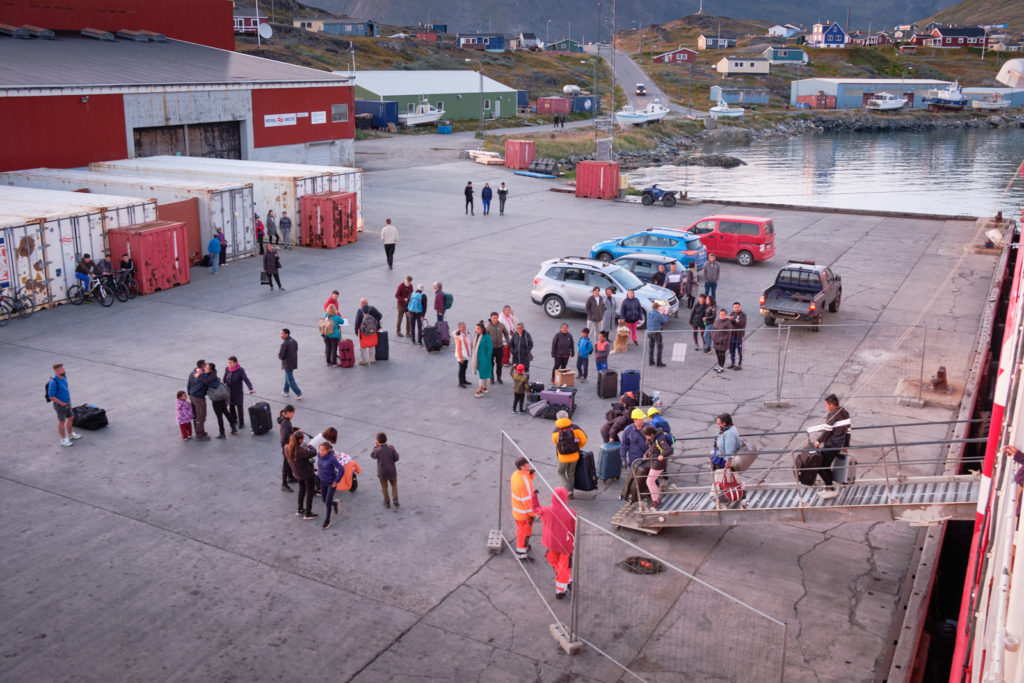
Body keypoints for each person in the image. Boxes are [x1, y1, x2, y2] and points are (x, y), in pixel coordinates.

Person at [532, 486, 576, 599]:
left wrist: (534, 496)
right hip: (566, 546)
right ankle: (561, 590)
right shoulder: (571, 513)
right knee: (564, 567)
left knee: (553, 560)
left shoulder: (546, 511)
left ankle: (566, 580)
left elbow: (535, 508)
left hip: (551, 544)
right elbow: (574, 529)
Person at [814, 394, 851, 500]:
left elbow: (827, 430)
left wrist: (818, 441)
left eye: (826, 405)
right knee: (826, 464)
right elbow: (848, 431)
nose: (826, 407)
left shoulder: (832, 414)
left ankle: (831, 489)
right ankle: (829, 487)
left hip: (831, 445)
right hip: (838, 445)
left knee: (820, 466)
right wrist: (846, 445)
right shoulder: (845, 412)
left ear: (831, 405)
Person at [552, 413, 587, 498]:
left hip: (563, 457)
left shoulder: (556, 431)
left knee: (560, 472)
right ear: (567, 417)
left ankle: (567, 490)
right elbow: (584, 439)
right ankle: (571, 493)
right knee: (571, 473)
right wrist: (577, 447)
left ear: (557, 419)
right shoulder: (575, 428)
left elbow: (556, 443)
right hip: (575, 456)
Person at [286, 431, 318, 520]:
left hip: (297, 473)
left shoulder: (287, 447)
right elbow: (314, 452)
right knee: (310, 492)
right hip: (307, 473)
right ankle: (308, 513)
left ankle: (300, 509)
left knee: (301, 489)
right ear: (300, 440)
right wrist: (309, 445)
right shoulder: (301, 451)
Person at [47, 363, 81, 447]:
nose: (63, 370)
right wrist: (61, 403)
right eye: (61, 369)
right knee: (61, 421)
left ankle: (70, 434)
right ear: (56, 371)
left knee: (70, 417)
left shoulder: (64, 377)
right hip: (60, 405)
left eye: (63, 368)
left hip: (67, 402)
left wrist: (67, 400)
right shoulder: (53, 381)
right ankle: (63, 439)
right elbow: (51, 396)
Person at [510, 457, 537, 561]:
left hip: (517, 511)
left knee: (522, 532)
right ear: (522, 466)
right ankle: (521, 554)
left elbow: (525, 480)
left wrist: (530, 474)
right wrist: (532, 514)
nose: (529, 465)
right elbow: (528, 501)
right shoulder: (524, 482)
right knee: (523, 533)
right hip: (524, 514)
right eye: (527, 464)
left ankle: (524, 547)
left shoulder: (515, 475)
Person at [643, 425, 672, 509]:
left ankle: (656, 500)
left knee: (649, 481)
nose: (646, 437)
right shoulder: (653, 439)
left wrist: (662, 455)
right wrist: (647, 454)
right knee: (650, 481)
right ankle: (656, 498)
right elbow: (652, 448)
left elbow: (668, 450)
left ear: (651, 434)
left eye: (646, 435)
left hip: (658, 464)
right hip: (654, 463)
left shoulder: (659, 439)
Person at [316, 442, 343, 530]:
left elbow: (341, 469)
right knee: (324, 500)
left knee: (327, 502)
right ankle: (335, 503)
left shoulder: (332, 459)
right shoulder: (319, 455)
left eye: (323, 450)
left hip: (331, 482)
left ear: (328, 450)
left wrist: (336, 481)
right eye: (319, 449)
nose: (320, 451)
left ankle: (327, 521)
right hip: (322, 480)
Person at [223, 355, 254, 431]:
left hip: (238, 392)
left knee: (239, 407)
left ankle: (241, 422)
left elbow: (246, 380)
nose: (229, 364)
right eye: (228, 362)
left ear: (235, 363)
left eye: (231, 362)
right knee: (231, 407)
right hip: (229, 392)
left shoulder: (240, 370)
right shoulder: (227, 369)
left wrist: (251, 388)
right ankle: (234, 419)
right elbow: (224, 378)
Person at [204, 363, 234, 439]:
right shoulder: (215, 374)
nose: (205, 369)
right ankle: (233, 427)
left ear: (210, 369)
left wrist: (199, 376)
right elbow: (217, 380)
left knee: (219, 416)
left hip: (216, 400)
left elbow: (207, 382)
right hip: (222, 397)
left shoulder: (209, 377)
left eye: (206, 368)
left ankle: (222, 433)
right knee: (226, 412)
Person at [187, 359, 214, 441]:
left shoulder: (192, 373)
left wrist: (189, 394)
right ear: (202, 366)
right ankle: (200, 435)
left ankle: (200, 432)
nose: (207, 365)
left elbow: (188, 384)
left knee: (197, 416)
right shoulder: (203, 376)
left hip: (192, 396)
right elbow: (205, 382)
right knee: (201, 416)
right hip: (199, 398)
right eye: (205, 364)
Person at [371, 432, 400, 509]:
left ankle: (387, 502)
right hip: (392, 471)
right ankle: (395, 499)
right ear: (386, 439)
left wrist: (375, 447)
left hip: (382, 472)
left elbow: (372, 455)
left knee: (384, 487)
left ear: (378, 441)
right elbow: (396, 458)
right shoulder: (391, 448)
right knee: (394, 485)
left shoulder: (377, 450)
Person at [354, 298, 383, 366]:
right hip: (373, 330)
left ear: (362, 303)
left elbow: (357, 322)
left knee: (363, 345)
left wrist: (356, 330)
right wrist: (376, 321)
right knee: (372, 344)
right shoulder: (372, 308)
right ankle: (372, 359)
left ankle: (364, 361)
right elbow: (380, 315)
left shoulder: (360, 311)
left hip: (364, 331)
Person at [485, 311, 510, 384]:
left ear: (498, 318)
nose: (495, 319)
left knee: (499, 364)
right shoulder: (487, 327)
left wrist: (507, 341)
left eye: (496, 318)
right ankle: (491, 378)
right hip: (491, 349)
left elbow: (506, 333)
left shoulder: (501, 325)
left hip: (499, 348)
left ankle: (499, 378)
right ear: (491, 318)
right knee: (491, 364)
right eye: (493, 318)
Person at [278, 405, 298, 491]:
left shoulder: (285, 421)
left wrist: (294, 429)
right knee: (286, 464)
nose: (293, 415)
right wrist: (294, 434)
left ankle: (290, 477)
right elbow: (285, 435)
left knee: (289, 462)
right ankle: (284, 483)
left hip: (287, 445)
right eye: (293, 413)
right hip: (287, 446)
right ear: (288, 413)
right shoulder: (285, 423)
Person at [279, 328, 302, 399]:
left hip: (287, 363)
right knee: (287, 376)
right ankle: (285, 391)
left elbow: (282, 356)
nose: (281, 335)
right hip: (293, 361)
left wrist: (279, 355)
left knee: (290, 379)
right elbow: (296, 349)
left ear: (286, 334)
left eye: (282, 334)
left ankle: (298, 393)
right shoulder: (294, 341)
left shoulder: (284, 344)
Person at [472, 322, 493, 398]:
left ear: (482, 329)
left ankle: (480, 390)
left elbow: (490, 349)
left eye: (478, 329)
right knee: (483, 373)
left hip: (484, 358)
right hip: (479, 358)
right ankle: (484, 387)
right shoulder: (477, 336)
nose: (476, 330)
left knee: (482, 374)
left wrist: (487, 359)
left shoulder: (487, 337)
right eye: (476, 328)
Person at [647, 302, 669, 368]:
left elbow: (655, 318)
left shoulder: (649, 313)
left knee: (651, 347)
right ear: (657, 308)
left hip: (649, 332)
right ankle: (659, 363)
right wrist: (666, 314)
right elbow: (665, 321)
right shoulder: (658, 315)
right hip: (656, 332)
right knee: (659, 347)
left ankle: (651, 361)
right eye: (659, 307)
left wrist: (660, 314)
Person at [710, 308, 732, 373]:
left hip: (723, 343)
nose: (722, 315)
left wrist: (721, 340)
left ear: (726, 315)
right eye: (721, 314)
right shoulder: (716, 321)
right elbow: (712, 330)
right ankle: (719, 365)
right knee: (717, 354)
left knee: (721, 354)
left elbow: (728, 334)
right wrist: (713, 337)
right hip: (715, 342)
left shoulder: (728, 323)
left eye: (723, 314)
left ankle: (721, 367)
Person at [454, 321, 474, 388]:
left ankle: (464, 380)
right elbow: (458, 348)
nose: (464, 327)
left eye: (464, 326)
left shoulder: (467, 333)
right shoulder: (458, 336)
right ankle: (460, 382)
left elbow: (470, 342)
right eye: (462, 327)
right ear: (459, 328)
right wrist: (460, 357)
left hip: (466, 355)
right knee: (461, 369)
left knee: (465, 368)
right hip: (461, 355)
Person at [729, 302, 747, 370]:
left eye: (737, 307)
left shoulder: (743, 315)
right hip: (731, 335)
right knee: (731, 350)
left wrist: (732, 320)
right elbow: (729, 322)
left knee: (740, 351)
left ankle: (740, 365)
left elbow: (740, 324)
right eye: (735, 307)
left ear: (740, 307)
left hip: (739, 336)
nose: (736, 309)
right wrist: (734, 321)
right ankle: (733, 363)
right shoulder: (732, 313)